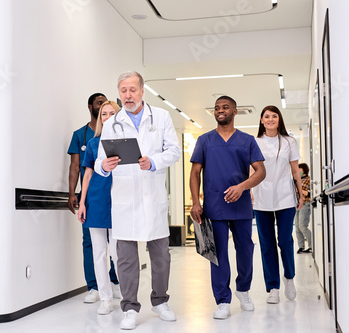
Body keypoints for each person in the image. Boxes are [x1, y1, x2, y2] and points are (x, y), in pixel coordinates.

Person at [95, 71, 181, 330]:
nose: (128, 95)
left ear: (142, 91)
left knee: (160, 255)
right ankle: (130, 307)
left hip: (152, 196)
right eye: (123, 90)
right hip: (125, 199)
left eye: (132, 90)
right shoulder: (112, 123)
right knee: (126, 259)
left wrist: (154, 161)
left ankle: (160, 301)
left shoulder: (162, 117)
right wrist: (106, 166)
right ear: (119, 94)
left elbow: (174, 151)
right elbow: (99, 162)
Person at [189, 95, 266, 320]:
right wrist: (195, 202)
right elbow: (195, 173)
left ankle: (243, 289)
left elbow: (261, 172)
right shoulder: (204, 140)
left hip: (240, 204)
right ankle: (222, 300)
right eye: (216, 108)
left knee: (245, 249)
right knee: (218, 253)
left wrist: (242, 187)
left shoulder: (247, 140)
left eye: (225, 107)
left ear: (234, 111)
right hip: (214, 206)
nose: (220, 110)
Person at [67, 93, 120, 303]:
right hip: (95, 201)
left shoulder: (127, 142)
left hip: (118, 202)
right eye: (103, 113)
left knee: (119, 252)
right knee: (96, 249)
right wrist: (79, 199)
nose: (106, 116)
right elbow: (83, 172)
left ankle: (121, 290)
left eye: (111, 113)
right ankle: (100, 293)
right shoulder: (90, 142)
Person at [251, 105, 304, 304]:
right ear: (262, 120)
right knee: (267, 244)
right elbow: (251, 169)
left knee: (284, 240)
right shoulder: (255, 142)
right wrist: (249, 191)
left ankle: (289, 277)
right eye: (267, 116)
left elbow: (295, 169)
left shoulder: (289, 141)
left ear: (279, 119)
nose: (271, 119)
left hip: (285, 197)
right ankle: (273, 287)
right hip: (262, 197)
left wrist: (300, 193)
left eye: (274, 116)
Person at [295, 163, 312, 254]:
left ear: (304, 170)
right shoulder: (297, 180)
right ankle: (301, 247)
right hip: (296, 204)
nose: (298, 170)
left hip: (305, 204)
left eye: (299, 169)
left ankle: (311, 246)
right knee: (297, 228)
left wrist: (299, 190)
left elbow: (309, 193)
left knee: (302, 226)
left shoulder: (308, 180)